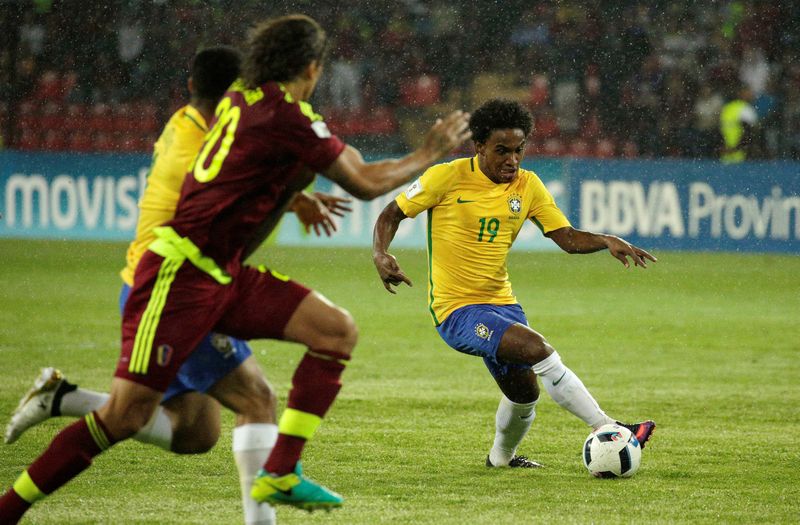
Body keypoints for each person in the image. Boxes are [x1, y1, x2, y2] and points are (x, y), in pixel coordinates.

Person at [0, 14, 471, 522]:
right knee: (126, 416)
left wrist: (295, 190)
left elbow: (263, 167)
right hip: (177, 278)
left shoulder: (244, 99)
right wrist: (428, 151)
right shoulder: (285, 116)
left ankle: (281, 471)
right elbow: (362, 181)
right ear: (312, 68)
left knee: (334, 332)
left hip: (222, 273)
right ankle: (9, 507)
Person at [3, 45, 349, 525]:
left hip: (171, 284)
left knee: (195, 432)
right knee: (255, 399)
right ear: (238, 95)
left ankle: (65, 399)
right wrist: (292, 191)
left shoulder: (188, 124)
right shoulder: (200, 146)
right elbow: (228, 205)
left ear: (191, 87)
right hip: (172, 289)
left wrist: (293, 197)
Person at [372, 99, 656, 469]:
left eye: (519, 150)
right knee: (539, 349)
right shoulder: (446, 177)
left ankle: (501, 459)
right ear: (479, 147)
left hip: (503, 305)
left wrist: (605, 240)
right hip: (457, 310)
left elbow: (567, 238)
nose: (513, 160)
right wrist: (380, 253)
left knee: (524, 393)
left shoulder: (528, 185)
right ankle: (611, 427)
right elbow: (391, 214)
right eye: (502, 151)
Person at [720, 85, 760, 163]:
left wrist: (726, 148)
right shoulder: (745, 109)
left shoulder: (727, 107)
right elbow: (751, 133)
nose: (750, 95)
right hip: (739, 154)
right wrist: (735, 149)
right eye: (747, 93)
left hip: (729, 153)